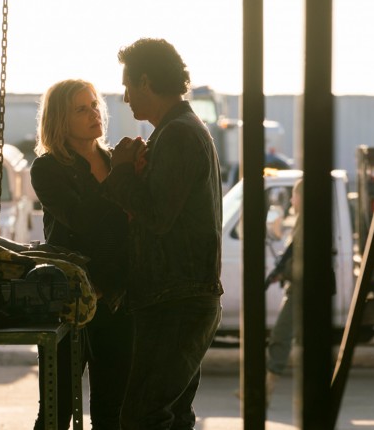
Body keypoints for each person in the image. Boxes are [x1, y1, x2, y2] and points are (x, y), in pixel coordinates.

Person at [102, 38, 224, 429]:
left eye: (128, 86)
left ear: (146, 81)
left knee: (142, 416)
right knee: (173, 417)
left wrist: (121, 169)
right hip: (180, 298)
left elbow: (156, 216)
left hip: (176, 301)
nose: (125, 98)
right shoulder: (179, 131)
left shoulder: (178, 135)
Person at [30, 79, 133, 429]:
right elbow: (82, 219)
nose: (94, 114)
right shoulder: (48, 168)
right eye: (81, 109)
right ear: (60, 120)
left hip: (115, 297)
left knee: (112, 410)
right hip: (68, 301)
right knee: (56, 409)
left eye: (94, 105)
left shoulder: (114, 160)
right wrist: (122, 179)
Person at [263, 178, 303, 406]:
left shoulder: (306, 224)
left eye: (294, 196)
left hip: (301, 289)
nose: (292, 201)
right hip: (298, 287)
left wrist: (283, 272)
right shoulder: (301, 222)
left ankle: (266, 390)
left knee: (280, 336)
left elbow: (301, 260)